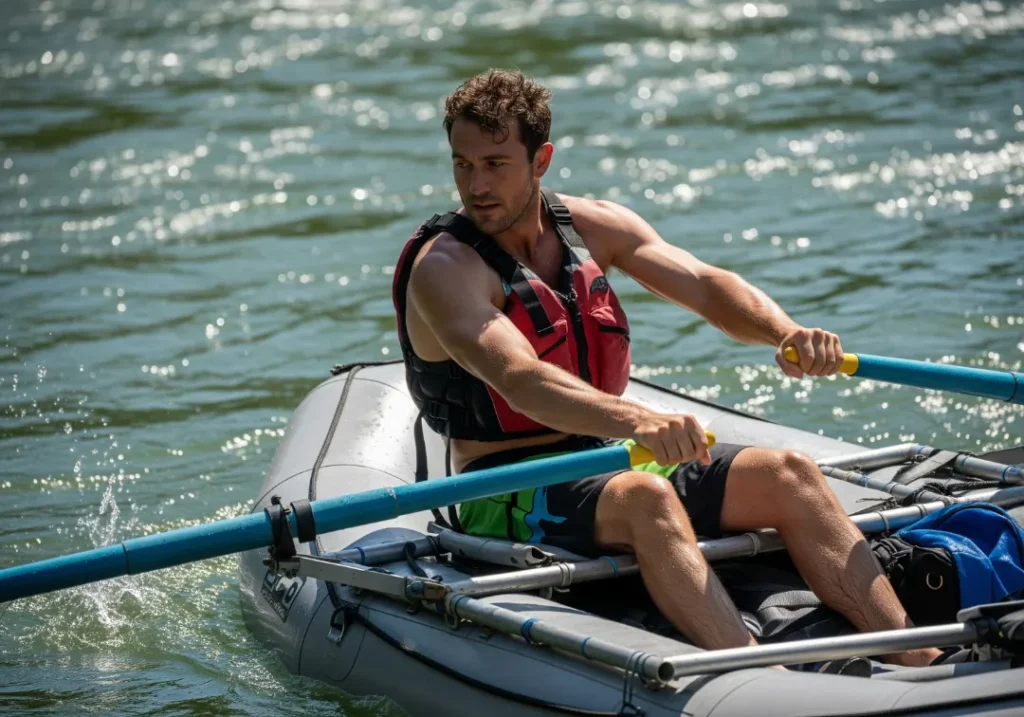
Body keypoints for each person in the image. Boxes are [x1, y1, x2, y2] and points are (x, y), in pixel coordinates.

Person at [390, 68, 941, 668]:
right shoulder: (445, 269)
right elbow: (521, 380)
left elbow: (705, 284)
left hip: (602, 454)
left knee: (789, 473)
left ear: (540, 160)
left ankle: (919, 658)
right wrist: (637, 420)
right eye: (463, 164)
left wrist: (784, 332)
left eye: (495, 164)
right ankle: (762, 679)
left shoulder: (592, 225)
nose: (476, 185)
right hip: (503, 484)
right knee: (645, 497)